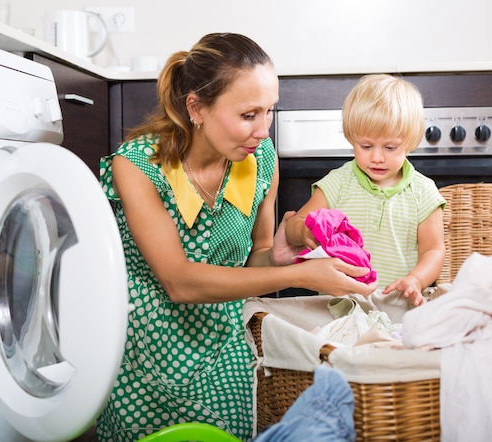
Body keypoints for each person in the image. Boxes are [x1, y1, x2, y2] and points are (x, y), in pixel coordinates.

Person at [96, 33, 378, 441]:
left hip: (222, 345)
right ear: (197, 108)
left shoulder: (260, 161)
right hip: (144, 355)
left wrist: (282, 257)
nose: (263, 130)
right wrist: (301, 277)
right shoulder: (137, 165)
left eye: (269, 112)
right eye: (249, 115)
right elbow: (179, 280)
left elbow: (257, 258)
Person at [285, 74, 446, 307]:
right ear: (352, 138)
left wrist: (416, 279)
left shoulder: (423, 192)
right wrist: (303, 231)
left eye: (390, 147)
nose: (377, 157)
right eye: (366, 146)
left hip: (398, 307)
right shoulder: (338, 183)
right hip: (339, 307)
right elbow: (294, 225)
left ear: (410, 141)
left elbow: (433, 250)